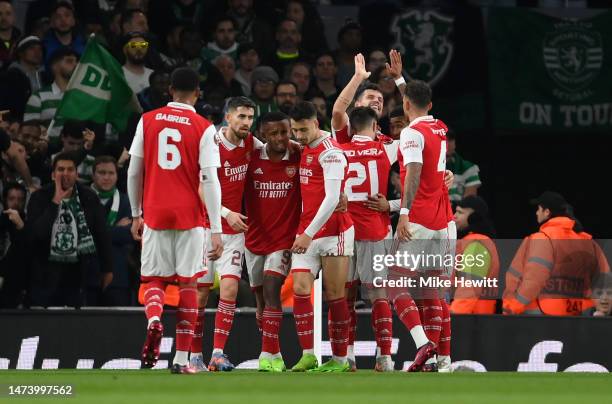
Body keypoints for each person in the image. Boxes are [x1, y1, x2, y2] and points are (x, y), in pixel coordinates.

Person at [127, 67, 223, 374]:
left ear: (170, 90)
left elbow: (133, 171)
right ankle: (181, 360)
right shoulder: (204, 127)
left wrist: (136, 213)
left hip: (155, 212)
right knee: (188, 284)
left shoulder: (148, 120)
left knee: (153, 280)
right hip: (189, 216)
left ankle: (155, 318)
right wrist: (217, 229)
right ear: (197, 93)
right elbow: (209, 179)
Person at [194, 96, 262, 372]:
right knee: (199, 294)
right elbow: (200, 188)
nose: (247, 123)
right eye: (242, 117)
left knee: (230, 287)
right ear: (229, 117)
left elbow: (276, 151)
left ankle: (217, 354)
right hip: (204, 228)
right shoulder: (211, 144)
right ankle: (193, 354)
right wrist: (225, 214)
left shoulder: (251, 143)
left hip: (234, 232)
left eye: (250, 117)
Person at [395, 79, 456, 372]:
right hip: (442, 220)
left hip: (418, 219)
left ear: (406, 105)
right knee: (431, 290)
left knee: (395, 284)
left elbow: (414, 172)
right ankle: (439, 360)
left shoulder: (411, 133)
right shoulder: (440, 127)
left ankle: (423, 344)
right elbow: (415, 101)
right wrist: (400, 79)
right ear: (430, 105)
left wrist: (404, 212)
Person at [289, 101, 353, 373]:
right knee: (300, 289)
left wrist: (307, 234)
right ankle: (308, 354)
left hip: (334, 231)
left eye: (304, 130)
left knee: (335, 295)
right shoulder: (305, 147)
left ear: (317, 123)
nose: (299, 136)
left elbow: (330, 199)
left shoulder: (331, 154)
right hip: (307, 231)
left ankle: (340, 359)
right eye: (295, 131)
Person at [341, 106, 398, 372]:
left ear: (351, 128)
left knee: (344, 296)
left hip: (343, 231)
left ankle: (347, 356)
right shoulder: (385, 149)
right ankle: (384, 357)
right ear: (375, 128)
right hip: (374, 230)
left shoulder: (338, 150)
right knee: (378, 295)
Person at [243, 111, 301, 372]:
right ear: (263, 135)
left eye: (285, 131)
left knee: (271, 290)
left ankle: (269, 354)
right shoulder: (251, 159)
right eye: (274, 133)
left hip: (284, 240)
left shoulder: (299, 155)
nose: (281, 138)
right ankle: (273, 351)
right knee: (260, 302)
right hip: (253, 238)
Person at [26, 152, 113, 307]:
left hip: (77, 273)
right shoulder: (39, 197)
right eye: (60, 169)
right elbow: (36, 234)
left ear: (76, 174)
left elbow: (101, 234)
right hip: (44, 272)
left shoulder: (88, 196)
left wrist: (107, 269)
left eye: (70, 169)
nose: (65, 174)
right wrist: (55, 202)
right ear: (53, 175)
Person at [503, 191, 609, 316]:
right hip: (579, 316)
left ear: (547, 212)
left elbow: (534, 279)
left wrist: (512, 307)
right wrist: (600, 310)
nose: (536, 212)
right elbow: (604, 279)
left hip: (541, 315)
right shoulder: (588, 242)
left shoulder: (543, 238)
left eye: (538, 209)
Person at [91, 156, 133, 306]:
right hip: (88, 275)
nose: (106, 177)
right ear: (93, 175)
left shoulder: (127, 201)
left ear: (116, 175)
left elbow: (129, 235)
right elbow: (83, 233)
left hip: (118, 275)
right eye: (101, 173)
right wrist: (115, 230)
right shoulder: (82, 198)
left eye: (111, 173)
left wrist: (97, 231)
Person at [450, 196, 499, 315]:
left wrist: (454, 315)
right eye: (455, 211)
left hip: (471, 321)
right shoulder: (472, 241)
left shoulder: (477, 244)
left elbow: (470, 286)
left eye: (460, 212)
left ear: (474, 217)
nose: (454, 216)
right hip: (472, 318)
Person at [24, 47, 78, 140]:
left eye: (76, 61)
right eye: (69, 61)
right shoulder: (38, 97)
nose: (75, 65)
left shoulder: (82, 96)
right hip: (48, 151)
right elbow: (29, 132)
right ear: (54, 66)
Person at [0, 36, 44, 121]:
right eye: (31, 49)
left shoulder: (46, 76)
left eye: (40, 49)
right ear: (20, 53)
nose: (37, 52)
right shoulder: (10, 77)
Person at [0, 182, 27, 308]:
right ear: (5, 200)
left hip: (18, 283)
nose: (16, 203)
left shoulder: (28, 224)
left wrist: (20, 226)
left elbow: (28, 250)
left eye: (20, 199)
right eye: (12, 199)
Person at [42, 2, 85, 69]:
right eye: (58, 17)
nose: (63, 20)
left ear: (73, 21)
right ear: (51, 23)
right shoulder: (43, 47)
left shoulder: (85, 45)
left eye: (67, 15)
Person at [446, 130, 481, 207]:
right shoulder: (423, 168)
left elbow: (468, 205)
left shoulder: (469, 168)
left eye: (450, 140)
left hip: (456, 214)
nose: (447, 144)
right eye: (443, 140)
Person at [0, 0, 20, 70]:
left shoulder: (22, 41)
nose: (3, 18)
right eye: (0, 14)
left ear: (14, 17)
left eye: (8, 13)